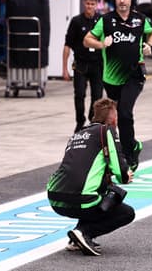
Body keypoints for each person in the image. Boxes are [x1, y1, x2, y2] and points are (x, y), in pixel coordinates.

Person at [46, 98, 135, 256]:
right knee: (125, 211)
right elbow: (121, 174)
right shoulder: (107, 131)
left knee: (99, 191)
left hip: (54, 198)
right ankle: (84, 232)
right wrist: (127, 174)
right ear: (114, 119)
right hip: (81, 199)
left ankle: (75, 240)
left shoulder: (78, 134)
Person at [83, 0, 152, 172]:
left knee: (124, 112)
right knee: (113, 118)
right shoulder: (106, 20)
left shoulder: (140, 19)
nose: (122, 1)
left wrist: (149, 45)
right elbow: (87, 40)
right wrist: (102, 44)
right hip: (111, 78)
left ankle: (129, 155)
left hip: (135, 74)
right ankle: (130, 145)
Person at [63, 0, 103, 133]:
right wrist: (64, 68)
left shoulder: (101, 21)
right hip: (81, 64)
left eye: (92, 4)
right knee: (79, 94)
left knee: (97, 96)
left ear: (96, 5)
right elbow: (67, 45)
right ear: (83, 4)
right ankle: (80, 121)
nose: (89, 7)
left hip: (98, 64)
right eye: (87, 4)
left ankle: (93, 120)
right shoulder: (76, 21)